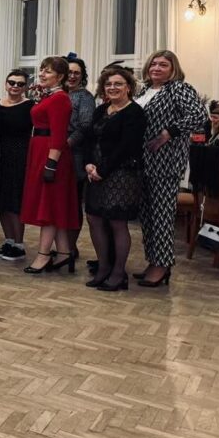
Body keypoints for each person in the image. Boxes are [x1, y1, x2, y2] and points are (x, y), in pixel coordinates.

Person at [133, 50, 207, 287]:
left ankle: (163, 265)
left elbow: (199, 116)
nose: (156, 68)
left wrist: (169, 132)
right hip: (142, 162)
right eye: (154, 63)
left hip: (165, 163)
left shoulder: (178, 89)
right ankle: (153, 260)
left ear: (173, 69)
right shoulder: (144, 91)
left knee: (162, 216)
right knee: (147, 217)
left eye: (163, 65)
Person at [85, 67, 145, 292]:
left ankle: (119, 273)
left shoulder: (134, 113)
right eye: (109, 84)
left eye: (118, 84)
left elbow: (127, 146)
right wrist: (89, 164)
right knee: (94, 218)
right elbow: (90, 139)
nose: (113, 88)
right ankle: (103, 267)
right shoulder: (101, 109)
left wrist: (102, 170)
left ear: (128, 87)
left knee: (117, 222)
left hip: (121, 174)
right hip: (96, 171)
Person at [20, 56, 78, 273]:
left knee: (49, 206)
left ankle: (43, 255)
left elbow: (59, 135)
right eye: (42, 70)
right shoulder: (49, 96)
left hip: (51, 154)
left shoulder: (60, 99)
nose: (42, 74)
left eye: (48, 71)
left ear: (60, 77)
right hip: (40, 149)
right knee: (53, 204)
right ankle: (64, 252)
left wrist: (51, 164)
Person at [0, 69, 34, 261]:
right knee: (2, 202)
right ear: (6, 84)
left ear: (26, 87)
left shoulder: (30, 106)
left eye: (20, 84)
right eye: (12, 82)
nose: (15, 86)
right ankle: (8, 241)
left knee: (15, 202)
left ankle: (19, 244)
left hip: (20, 157)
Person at [65, 54, 95, 259]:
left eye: (77, 73)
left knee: (72, 202)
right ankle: (60, 245)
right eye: (69, 72)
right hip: (54, 152)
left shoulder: (85, 97)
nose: (72, 76)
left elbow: (85, 127)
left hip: (73, 154)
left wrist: (65, 145)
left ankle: (70, 247)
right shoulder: (56, 94)